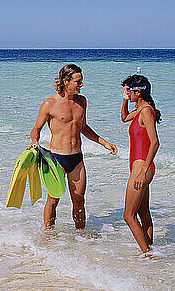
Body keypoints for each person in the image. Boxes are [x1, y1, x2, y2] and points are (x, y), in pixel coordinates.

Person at [30, 64, 118, 229]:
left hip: (77, 159)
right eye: (78, 81)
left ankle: (81, 237)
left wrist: (104, 143)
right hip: (56, 159)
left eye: (81, 81)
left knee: (79, 199)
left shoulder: (82, 102)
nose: (81, 85)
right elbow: (36, 128)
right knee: (53, 199)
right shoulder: (49, 104)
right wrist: (35, 142)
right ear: (65, 81)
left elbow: (83, 127)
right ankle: (48, 236)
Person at [120, 74, 161, 255]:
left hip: (141, 169)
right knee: (143, 212)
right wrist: (124, 100)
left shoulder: (146, 111)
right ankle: (150, 249)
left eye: (130, 91)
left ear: (138, 92)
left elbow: (155, 142)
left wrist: (143, 170)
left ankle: (147, 254)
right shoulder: (140, 109)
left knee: (128, 215)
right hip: (138, 168)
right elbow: (124, 117)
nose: (128, 93)